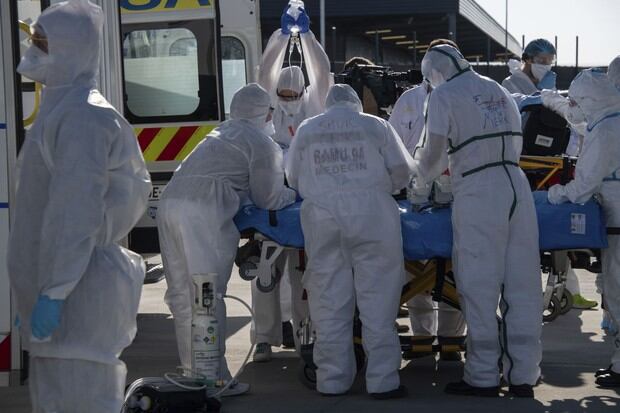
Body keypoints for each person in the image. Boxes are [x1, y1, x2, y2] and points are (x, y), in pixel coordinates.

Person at [7, 1, 152, 412]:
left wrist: (53, 291)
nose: (33, 50)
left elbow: (76, 214)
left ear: (70, 49)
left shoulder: (83, 118)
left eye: (42, 43)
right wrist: (32, 292)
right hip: (64, 297)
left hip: (79, 298)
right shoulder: (63, 111)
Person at [413, 44, 542, 398]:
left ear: (434, 73)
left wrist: (418, 178)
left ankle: (483, 375)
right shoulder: (497, 88)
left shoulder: (443, 96)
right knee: (523, 285)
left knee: (479, 284)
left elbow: (433, 157)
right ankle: (524, 375)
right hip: (517, 186)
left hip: (479, 190)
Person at [157, 83, 296, 396]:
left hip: (170, 204)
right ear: (266, 112)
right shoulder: (262, 142)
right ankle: (212, 381)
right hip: (202, 211)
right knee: (205, 293)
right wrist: (292, 193)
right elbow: (268, 197)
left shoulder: (219, 133)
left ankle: (193, 375)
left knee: (182, 295)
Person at [286, 84, 414, 398]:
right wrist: (384, 188)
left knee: (328, 300)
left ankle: (331, 379)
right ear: (356, 103)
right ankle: (383, 381)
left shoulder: (307, 128)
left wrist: (322, 189)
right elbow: (402, 170)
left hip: (323, 217)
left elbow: (293, 176)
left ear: (327, 105)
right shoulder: (375, 125)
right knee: (378, 300)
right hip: (373, 216)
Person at [252, 4, 333, 362]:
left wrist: (309, 39)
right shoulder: (268, 105)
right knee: (267, 273)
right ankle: (265, 337)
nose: (287, 101)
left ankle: (305, 337)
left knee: (305, 274)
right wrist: (282, 38)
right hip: (272, 202)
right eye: (281, 96)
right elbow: (265, 71)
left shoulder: (313, 107)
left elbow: (323, 72)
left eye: (291, 96)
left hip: (305, 202)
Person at [504, 38, 597, 310]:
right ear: (527, 59)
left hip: (550, 164)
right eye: (541, 60)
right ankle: (527, 291)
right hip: (522, 164)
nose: (545, 66)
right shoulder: (510, 86)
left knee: (556, 223)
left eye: (549, 61)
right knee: (524, 231)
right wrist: (540, 97)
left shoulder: (549, 87)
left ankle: (568, 286)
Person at [389, 39, 466, 360]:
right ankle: (422, 337)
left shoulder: (461, 98)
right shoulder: (409, 100)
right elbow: (393, 143)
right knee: (413, 270)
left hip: (454, 196)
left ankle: (450, 339)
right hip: (413, 198)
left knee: (454, 270)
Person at [546, 65, 620, 388]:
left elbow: (584, 185)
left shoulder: (604, 129)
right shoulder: (612, 119)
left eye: (577, 103)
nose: (575, 109)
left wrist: (554, 193)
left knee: (618, 293)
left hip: (617, 221)